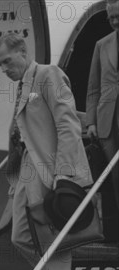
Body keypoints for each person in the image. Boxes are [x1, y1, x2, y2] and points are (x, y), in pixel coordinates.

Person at [0, 33, 90, 270]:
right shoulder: (22, 85)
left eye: (8, 61)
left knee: (53, 245)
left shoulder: (48, 75)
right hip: (26, 172)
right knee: (20, 236)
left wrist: (65, 175)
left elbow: (68, 125)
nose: (4, 68)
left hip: (49, 172)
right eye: (0, 64)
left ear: (23, 52)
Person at [86, 0, 119, 241]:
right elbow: (93, 89)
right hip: (108, 122)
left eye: (118, 17)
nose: (115, 22)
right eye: (111, 19)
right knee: (116, 180)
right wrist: (91, 122)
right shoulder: (102, 45)